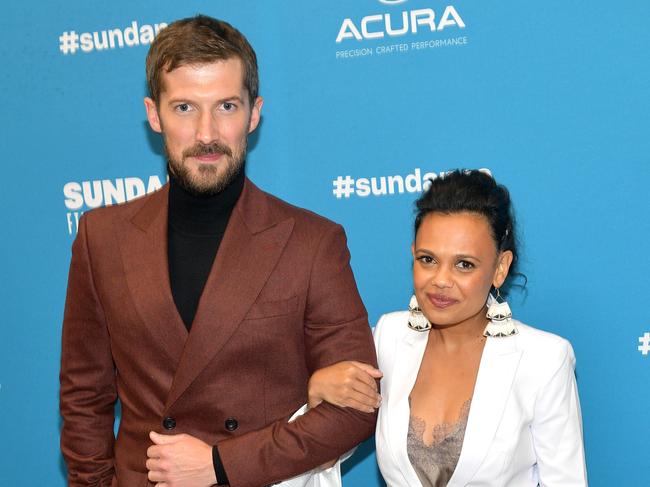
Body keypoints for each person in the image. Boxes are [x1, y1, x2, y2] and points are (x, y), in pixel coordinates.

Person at [59, 15, 378, 487]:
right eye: (185, 107)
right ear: (154, 114)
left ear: (254, 113)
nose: (206, 133)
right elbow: (84, 400)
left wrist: (222, 465)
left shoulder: (311, 243)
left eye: (226, 106)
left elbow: (356, 408)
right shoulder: (100, 238)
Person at [308, 170, 588, 486]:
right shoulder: (389, 337)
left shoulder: (544, 359)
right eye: (428, 259)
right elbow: (325, 458)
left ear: (500, 268)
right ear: (412, 255)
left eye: (464, 264)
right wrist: (318, 394)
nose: (441, 280)